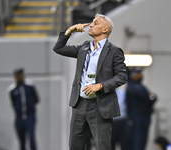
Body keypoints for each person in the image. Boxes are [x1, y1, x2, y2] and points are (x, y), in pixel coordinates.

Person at [53, 13, 127, 150]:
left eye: (96, 23)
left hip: (100, 105)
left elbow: (122, 76)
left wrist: (100, 86)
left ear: (105, 30)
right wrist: (69, 31)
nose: (91, 25)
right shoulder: (84, 48)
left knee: (102, 146)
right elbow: (58, 48)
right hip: (79, 103)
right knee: (75, 146)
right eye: (92, 22)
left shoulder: (114, 51)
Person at [7, 68, 39, 150]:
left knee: (31, 138)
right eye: (18, 75)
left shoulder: (30, 86)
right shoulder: (12, 89)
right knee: (22, 140)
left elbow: (36, 99)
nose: (20, 77)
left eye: (21, 75)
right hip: (19, 117)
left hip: (30, 115)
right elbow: (13, 103)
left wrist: (30, 106)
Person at [126, 67, 157, 150]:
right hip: (140, 117)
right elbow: (150, 98)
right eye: (139, 74)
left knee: (140, 140)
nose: (141, 75)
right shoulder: (136, 87)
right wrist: (153, 97)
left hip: (140, 117)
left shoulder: (137, 86)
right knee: (139, 140)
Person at [111, 84, 128, 150]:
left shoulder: (123, 93)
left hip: (122, 121)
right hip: (110, 122)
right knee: (110, 144)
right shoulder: (102, 94)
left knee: (124, 143)